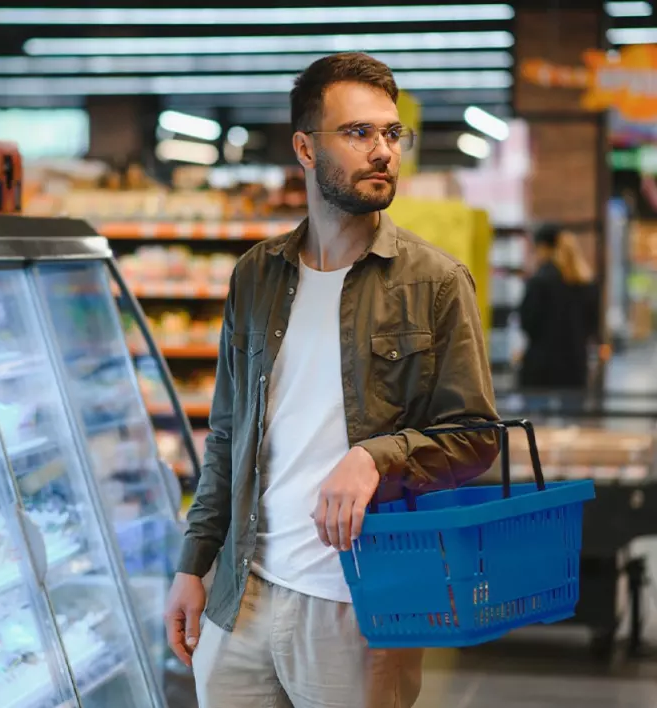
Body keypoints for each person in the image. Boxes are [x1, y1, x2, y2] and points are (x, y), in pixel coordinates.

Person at [162, 52, 500, 708]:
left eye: (390, 133)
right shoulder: (255, 277)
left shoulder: (434, 283)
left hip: (361, 609)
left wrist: (376, 458)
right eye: (358, 133)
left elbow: (476, 436)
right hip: (243, 596)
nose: (382, 151)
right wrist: (193, 564)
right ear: (305, 149)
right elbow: (227, 438)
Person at [518, 224, 599, 391]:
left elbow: (527, 323)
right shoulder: (586, 282)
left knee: (538, 416)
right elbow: (593, 325)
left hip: (541, 369)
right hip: (575, 366)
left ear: (544, 248)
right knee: (575, 416)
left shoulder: (539, 282)